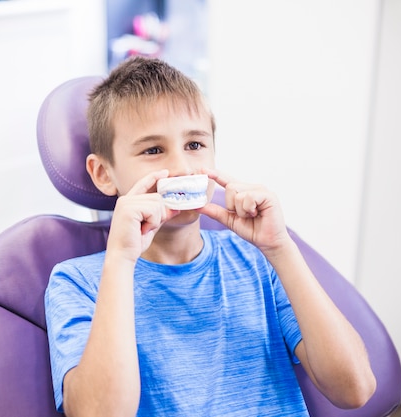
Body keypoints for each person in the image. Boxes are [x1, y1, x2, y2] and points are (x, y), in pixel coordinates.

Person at [44, 56, 376, 416]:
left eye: (195, 145)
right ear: (104, 173)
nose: (184, 168)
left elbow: (355, 389)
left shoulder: (257, 260)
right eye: (153, 150)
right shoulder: (76, 283)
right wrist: (121, 262)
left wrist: (280, 249)